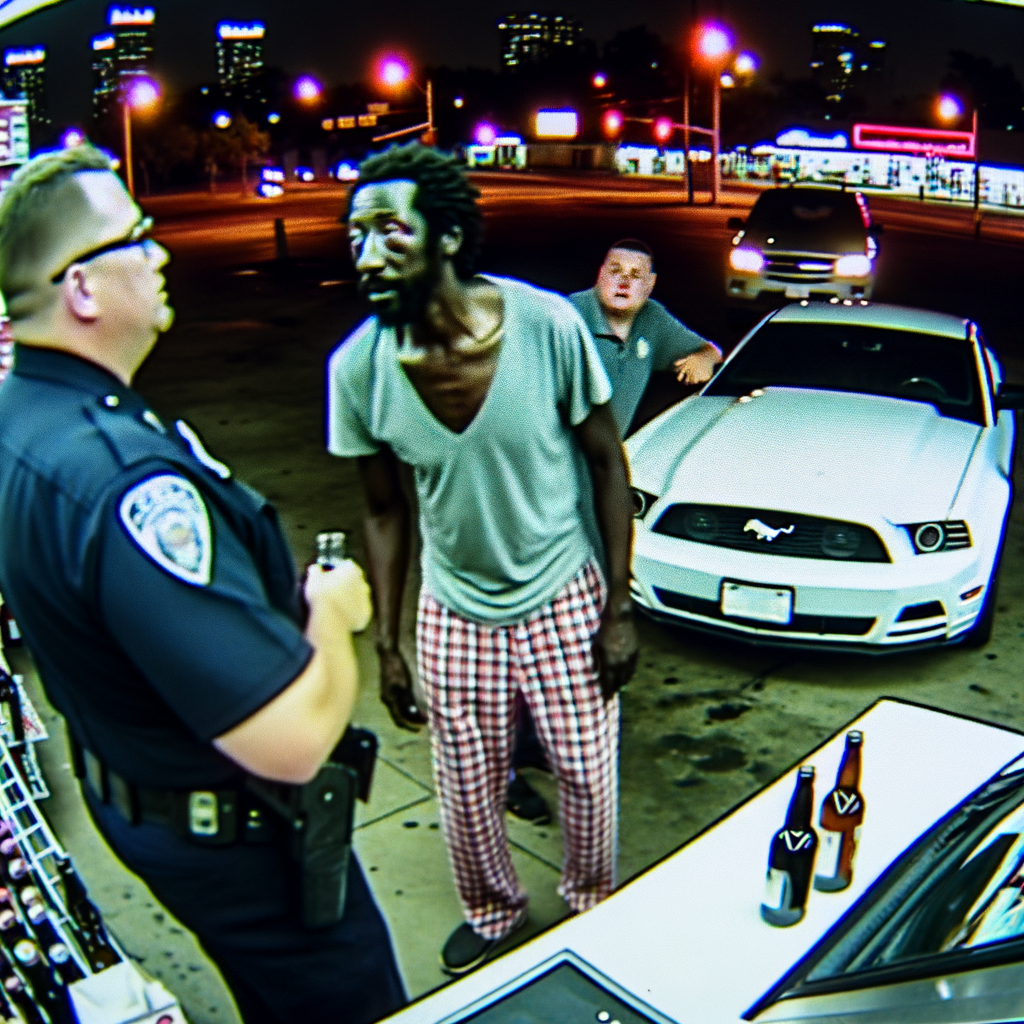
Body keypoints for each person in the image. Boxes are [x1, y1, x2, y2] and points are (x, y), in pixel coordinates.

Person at [0, 146, 405, 1024]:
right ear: (81, 289)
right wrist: (333, 618)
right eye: (136, 238)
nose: (160, 253)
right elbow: (290, 740)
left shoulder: (23, 415)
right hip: (238, 835)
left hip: (143, 790)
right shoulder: (122, 479)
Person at [327, 143, 638, 976]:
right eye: (355, 237)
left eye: (391, 232)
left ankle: (592, 903)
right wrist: (386, 645)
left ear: (450, 238)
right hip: (454, 607)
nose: (367, 254)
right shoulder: (357, 369)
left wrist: (618, 608)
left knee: (584, 770)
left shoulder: (544, 324)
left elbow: (608, 463)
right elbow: (384, 510)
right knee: (465, 789)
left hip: (564, 589)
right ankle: (494, 912)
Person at [569, 239, 722, 436]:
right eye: (615, 271)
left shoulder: (653, 319)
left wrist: (705, 358)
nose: (623, 283)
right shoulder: (569, 316)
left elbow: (713, 351)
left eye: (635, 275)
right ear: (601, 274)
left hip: (608, 454)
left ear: (650, 283)